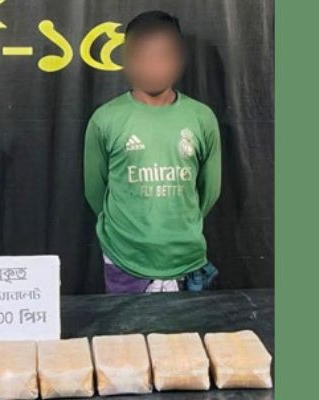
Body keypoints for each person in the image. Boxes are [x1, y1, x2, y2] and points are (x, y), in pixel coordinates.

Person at [83, 11, 221, 294]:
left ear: (178, 58)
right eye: (143, 55)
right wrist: (132, 233)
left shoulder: (201, 117)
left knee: (186, 327)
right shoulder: (105, 119)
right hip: (125, 261)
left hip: (186, 260)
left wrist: (179, 226)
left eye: (163, 55)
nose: (153, 65)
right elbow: (95, 191)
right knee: (127, 327)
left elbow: (210, 190)